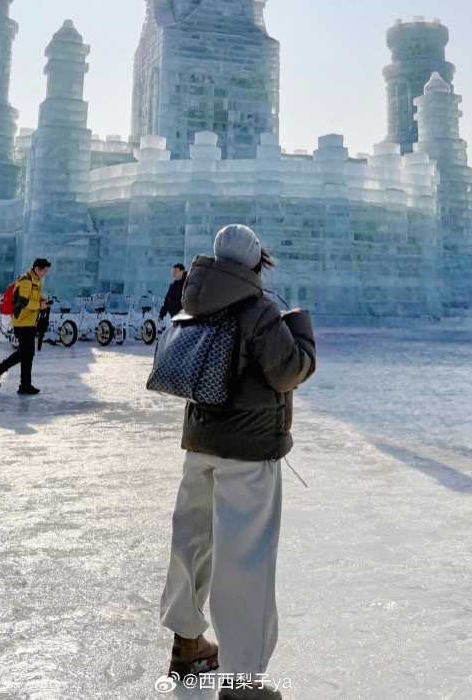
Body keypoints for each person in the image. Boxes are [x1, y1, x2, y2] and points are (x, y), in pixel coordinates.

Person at [159, 225, 316, 700]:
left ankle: (187, 645)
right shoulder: (257, 309)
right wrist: (303, 335)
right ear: (254, 263)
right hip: (248, 451)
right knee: (245, 557)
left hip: (201, 441)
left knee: (193, 542)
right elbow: (288, 371)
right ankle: (242, 678)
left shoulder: (196, 300)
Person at [0, 258, 51, 395]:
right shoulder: (25, 281)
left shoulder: (34, 281)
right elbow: (22, 302)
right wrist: (39, 305)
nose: (45, 274)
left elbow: (31, 296)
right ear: (37, 269)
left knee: (27, 353)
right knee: (25, 353)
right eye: (44, 271)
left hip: (28, 322)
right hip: (22, 323)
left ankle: (24, 385)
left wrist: (41, 299)